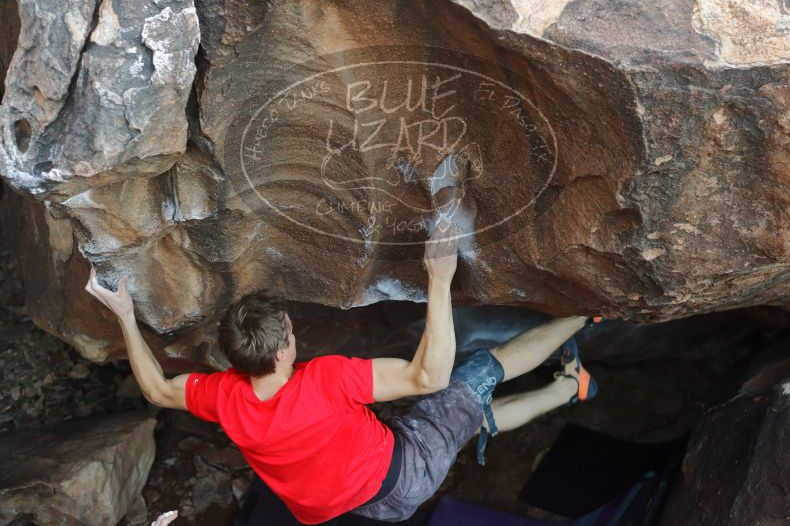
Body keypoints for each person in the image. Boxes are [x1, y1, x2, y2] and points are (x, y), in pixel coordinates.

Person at [84, 224, 598, 524]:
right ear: (285, 350)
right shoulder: (324, 380)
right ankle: (589, 314)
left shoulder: (223, 397)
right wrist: (439, 278)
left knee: (462, 421)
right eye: (291, 330)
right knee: (479, 373)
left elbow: (155, 389)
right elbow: (429, 378)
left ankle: (569, 386)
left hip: (363, 509)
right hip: (406, 469)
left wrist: (126, 316)